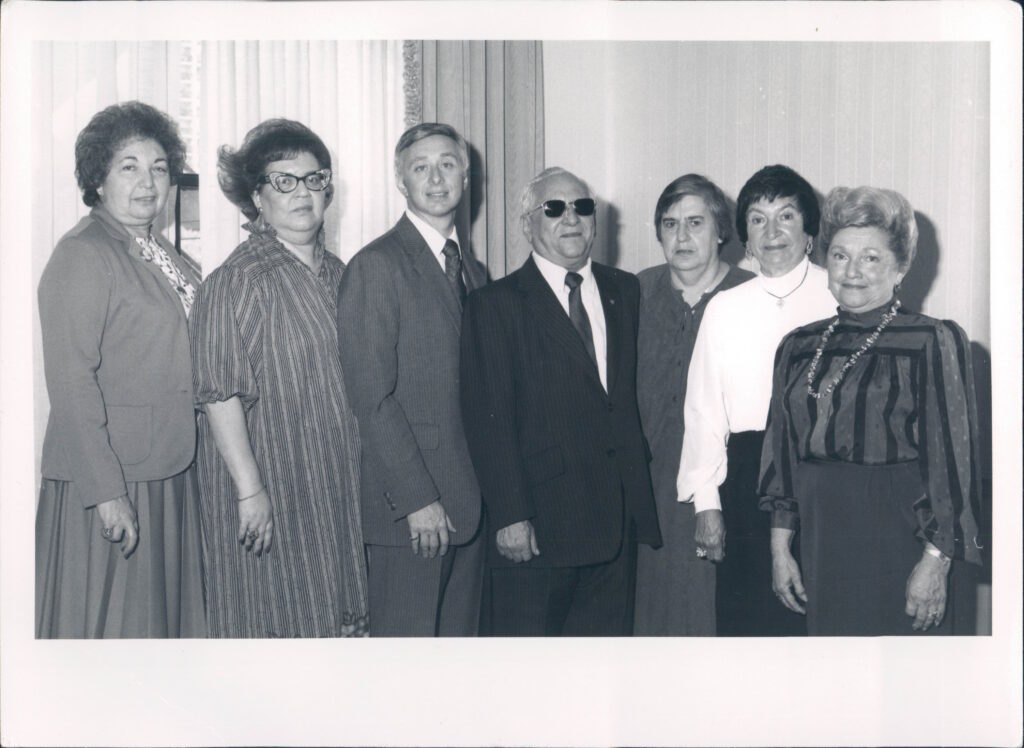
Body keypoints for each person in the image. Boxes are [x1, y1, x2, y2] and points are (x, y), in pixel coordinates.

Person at [759, 186, 983, 635]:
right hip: (822, 536)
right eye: (840, 256)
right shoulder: (798, 346)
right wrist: (781, 549)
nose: (853, 271)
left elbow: (954, 464)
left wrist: (935, 562)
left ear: (900, 267)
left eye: (871, 258)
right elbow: (781, 453)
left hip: (900, 536)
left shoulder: (933, 340)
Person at [460, 166, 661, 636]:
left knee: (600, 671)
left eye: (582, 207)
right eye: (554, 208)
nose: (571, 218)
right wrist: (511, 515)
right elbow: (487, 422)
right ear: (528, 224)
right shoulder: (494, 304)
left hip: (616, 522)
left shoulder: (624, 290)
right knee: (528, 675)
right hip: (538, 527)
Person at [190, 119, 368, 637]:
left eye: (314, 180)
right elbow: (218, 395)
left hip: (334, 484)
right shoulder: (236, 281)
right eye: (284, 181)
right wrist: (250, 491)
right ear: (256, 195)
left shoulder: (341, 273)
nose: (302, 193)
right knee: (274, 620)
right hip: (272, 483)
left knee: (337, 621)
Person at [36, 101, 204, 638]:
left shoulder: (167, 255)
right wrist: (106, 491)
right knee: (112, 634)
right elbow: (70, 383)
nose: (148, 181)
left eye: (158, 167)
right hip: (114, 477)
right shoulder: (84, 253)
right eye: (128, 166)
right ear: (98, 180)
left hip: (169, 468)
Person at [337, 122, 487, 637]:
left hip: (471, 507)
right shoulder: (376, 265)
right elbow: (371, 399)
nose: (436, 178)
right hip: (415, 513)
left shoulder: (474, 271)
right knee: (404, 671)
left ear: (465, 176)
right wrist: (419, 500)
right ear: (401, 182)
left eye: (447, 164)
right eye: (420, 168)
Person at [676, 164, 835, 636]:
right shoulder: (725, 307)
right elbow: (703, 411)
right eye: (759, 219)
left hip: (825, 475)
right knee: (750, 625)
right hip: (747, 478)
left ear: (809, 228)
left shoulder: (838, 296)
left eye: (786, 216)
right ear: (744, 232)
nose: (773, 232)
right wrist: (707, 504)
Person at [634, 174, 754, 636]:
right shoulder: (635, 293)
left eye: (695, 222)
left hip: (723, 490)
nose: (681, 237)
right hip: (649, 491)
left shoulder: (749, 296)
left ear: (721, 230)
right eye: (669, 224)